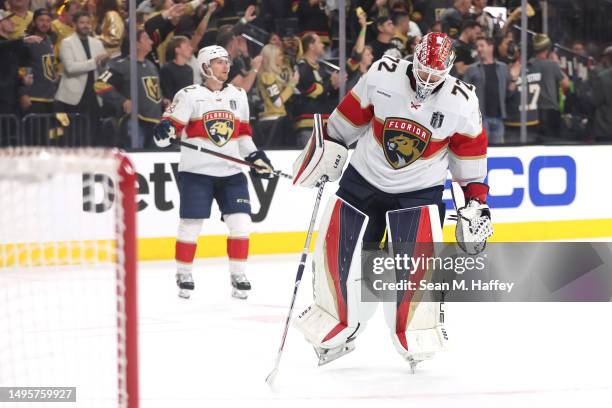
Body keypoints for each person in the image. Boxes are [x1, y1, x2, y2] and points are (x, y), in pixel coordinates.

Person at [292, 32, 492, 368]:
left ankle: (415, 331)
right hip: (364, 179)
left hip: (418, 191)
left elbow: (469, 159)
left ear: (449, 69)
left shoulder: (462, 100)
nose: (427, 80)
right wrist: (326, 151)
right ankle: (339, 326)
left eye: (435, 74)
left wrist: (475, 199)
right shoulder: (382, 73)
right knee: (345, 257)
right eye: (423, 71)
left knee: (414, 268)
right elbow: (346, 121)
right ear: (412, 59)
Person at [151, 45, 276, 300]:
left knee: (241, 224)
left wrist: (256, 157)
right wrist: (163, 134)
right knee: (191, 225)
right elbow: (166, 135)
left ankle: (238, 275)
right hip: (196, 173)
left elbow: (242, 137)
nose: (226, 66)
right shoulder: (188, 95)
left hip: (231, 172)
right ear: (206, 67)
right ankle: (184, 273)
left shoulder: (239, 95)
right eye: (220, 62)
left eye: (227, 62)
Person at [95, 30, 162, 148]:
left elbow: (153, 92)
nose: (151, 42)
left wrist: (164, 100)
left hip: (155, 123)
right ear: (136, 44)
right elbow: (100, 85)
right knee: (136, 161)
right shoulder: (122, 65)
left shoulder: (151, 65)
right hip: (135, 122)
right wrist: (122, 101)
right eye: (146, 38)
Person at [55, 11, 109, 145]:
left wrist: (103, 64)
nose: (86, 26)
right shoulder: (67, 43)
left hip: (94, 95)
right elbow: (70, 68)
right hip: (73, 97)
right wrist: (95, 62)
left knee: (93, 134)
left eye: (88, 23)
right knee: (74, 135)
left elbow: (102, 70)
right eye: (82, 23)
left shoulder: (97, 43)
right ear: (74, 24)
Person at [463, 36, 517, 143]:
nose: (479, 49)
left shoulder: (503, 67)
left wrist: (514, 81)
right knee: (481, 153)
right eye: (477, 46)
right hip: (480, 119)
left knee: (498, 153)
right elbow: (464, 95)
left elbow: (508, 94)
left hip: (499, 117)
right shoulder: (471, 69)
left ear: (491, 47)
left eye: (482, 45)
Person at [294, 32, 340, 146]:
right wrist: (330, 83)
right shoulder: (302, 67)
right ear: (311, 46)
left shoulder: (321, 68)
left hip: (323, 124)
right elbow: (312, 90)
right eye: (319, 42)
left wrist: (335, 86)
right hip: (308, 125)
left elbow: (326, 92)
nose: (323, 45)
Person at [256, 43, 299, 147]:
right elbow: (278, 102)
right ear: (272, 58)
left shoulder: (271, 76)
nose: (282, 57)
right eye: (279, 55)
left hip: (277, 120)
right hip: (272, 123)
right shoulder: (267, 77)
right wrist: (292, 85)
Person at [529, 33, 570, 140]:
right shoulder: (552, 65)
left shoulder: (528, 64)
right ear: (548, 48)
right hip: (550, 111)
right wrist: (557, 63)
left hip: (532, 112)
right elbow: (566, 84)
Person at [19, 8, 58, 116]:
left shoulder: (49, 40)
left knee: (47, 133)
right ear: (34, 22)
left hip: (50, 97)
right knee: (34, 132)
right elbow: (21, 68)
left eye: (48, 21)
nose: (45, 24)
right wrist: (23, 93)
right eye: (41, 20)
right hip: (33, 97)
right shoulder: (27, 41)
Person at [160, 35, 194, 104]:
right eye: (187, 46)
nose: (191, 48)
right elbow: (166, 93)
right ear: (177, 50)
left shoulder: (189, 69)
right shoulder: (167, 69)